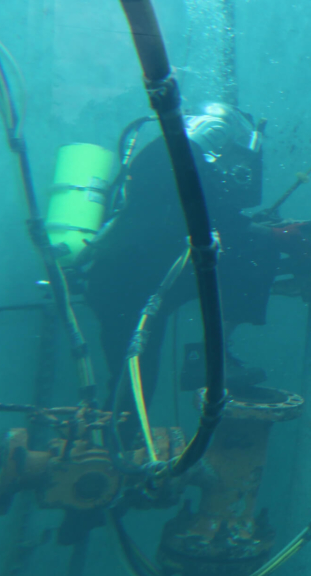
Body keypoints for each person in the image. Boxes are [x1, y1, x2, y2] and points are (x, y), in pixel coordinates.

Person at [84, 103, 279, 417]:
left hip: (130, 280)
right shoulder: (178, 156)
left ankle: (122, 435)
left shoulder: (168, 154)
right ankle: (211, 359)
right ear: (216, 133)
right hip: (130, 284)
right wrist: (270, 232)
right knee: (132, 383)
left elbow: (218, 208)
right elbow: (219, 211)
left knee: (134, 383)